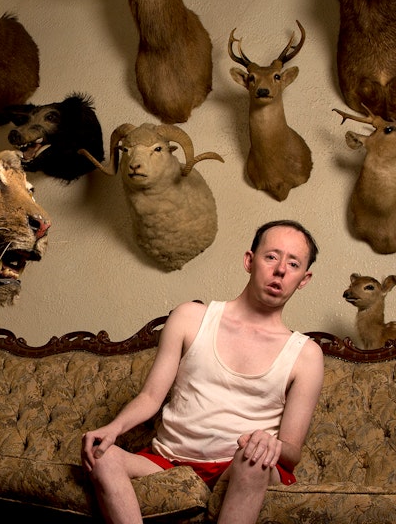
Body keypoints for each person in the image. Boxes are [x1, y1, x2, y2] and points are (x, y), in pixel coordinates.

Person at [81, 220, 324, 524]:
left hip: (244, 465)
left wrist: (271, 444)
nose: (280, 270)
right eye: (271, 257)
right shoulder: (190, 318)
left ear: (304, 278)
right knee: (102, 458)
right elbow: (150, 396)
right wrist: (113, 428)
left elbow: (291, 452)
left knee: (254, 461)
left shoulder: (306, 354)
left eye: (293, 263)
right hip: (168, 461)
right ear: (250, 261)